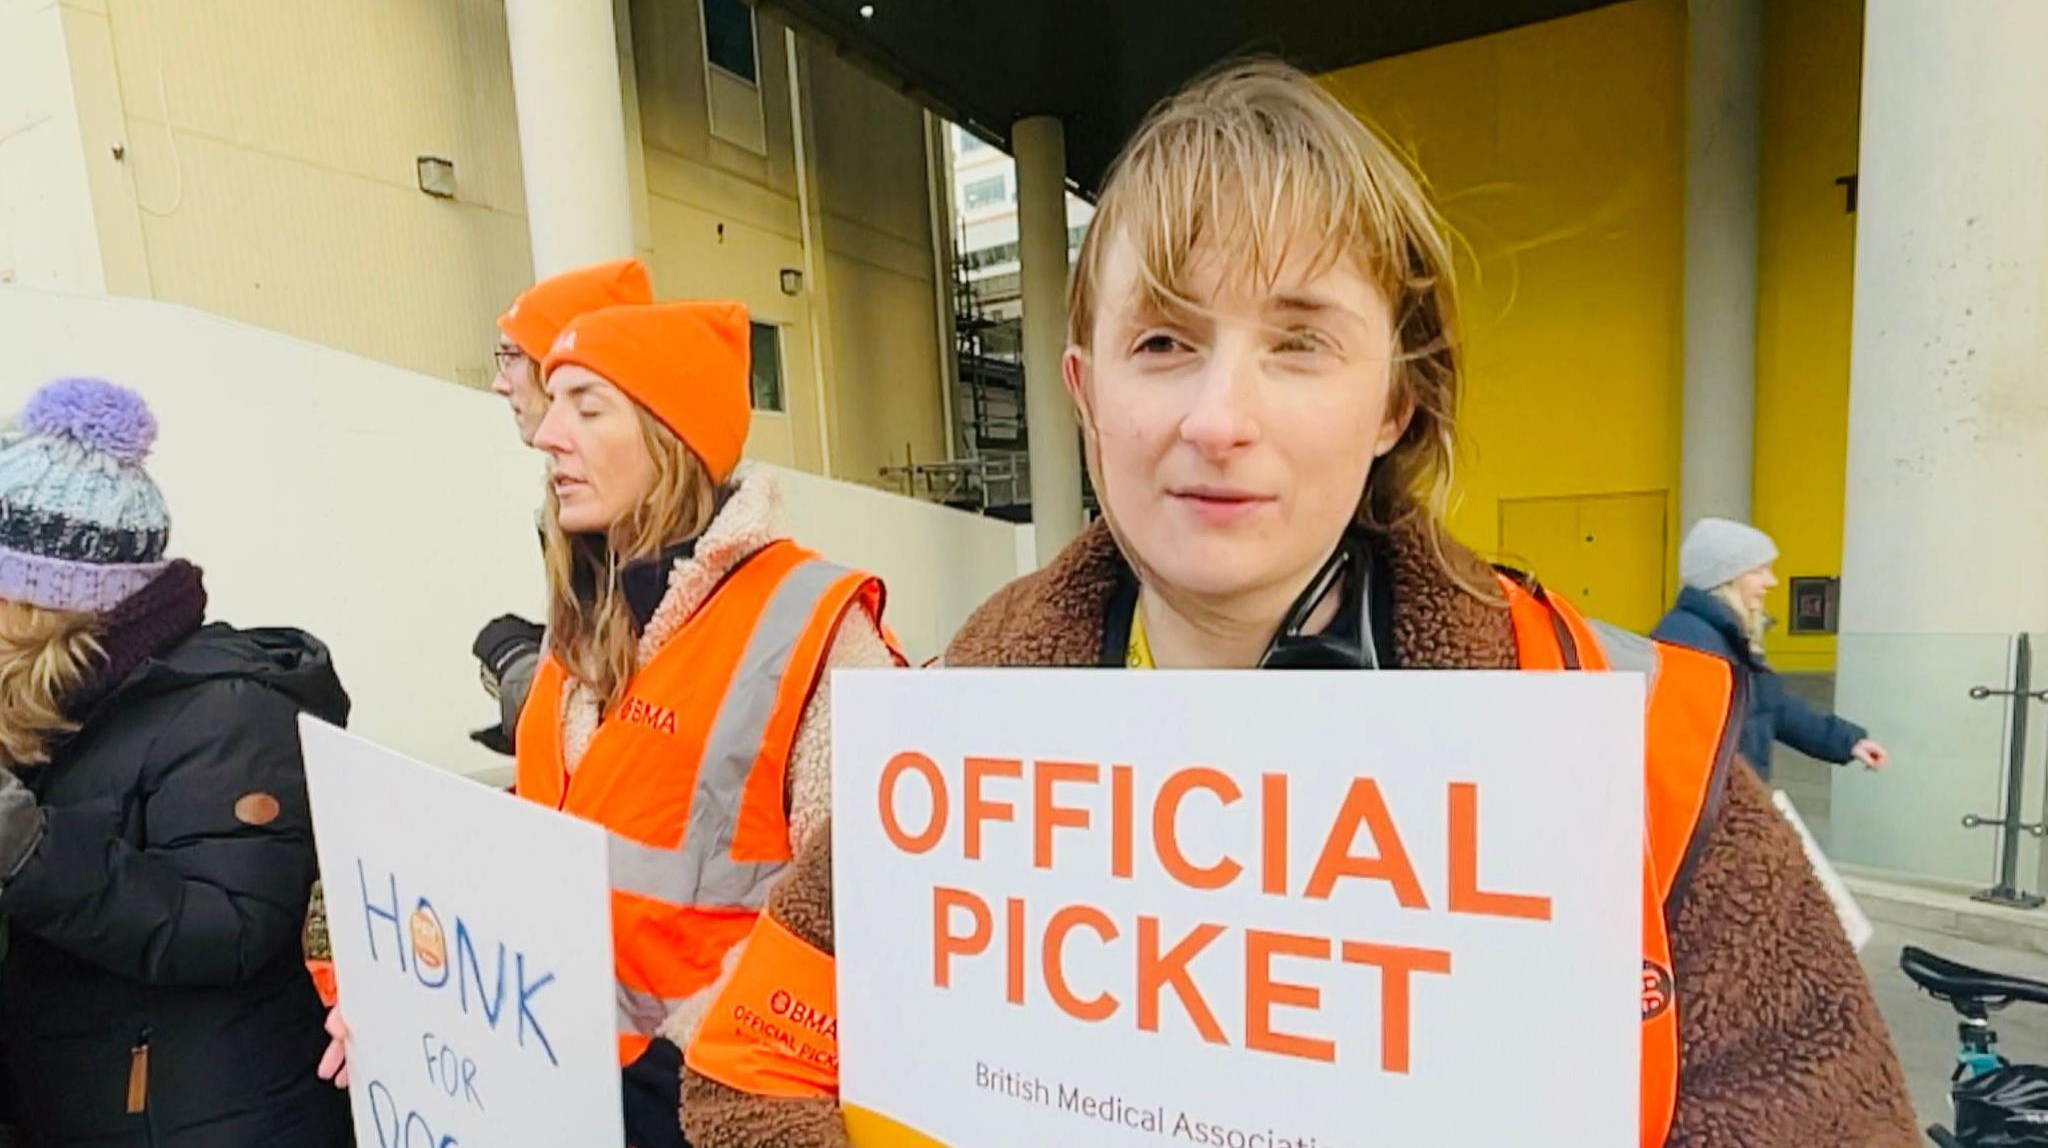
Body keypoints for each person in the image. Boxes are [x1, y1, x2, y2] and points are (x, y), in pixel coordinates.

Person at [676, 60, 1918, 1148]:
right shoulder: (955, 739)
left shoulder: (1633, 748)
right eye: (1160, 342)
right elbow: (750, 1070)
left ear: (1394, 399)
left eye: (1298, 341)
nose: (1217, 418)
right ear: (1082, 389)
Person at [325, 301, 903, 1148]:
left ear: (673, 437)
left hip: (704, 1111)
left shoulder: (814, 628)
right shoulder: (577, 643)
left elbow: (870, 909)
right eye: (551, 402)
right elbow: (509, 873)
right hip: (561, 1095)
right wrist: (405, 999)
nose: (549, 434)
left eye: (588, 407)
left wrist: (681, 1072)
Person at [0, 378, 352, 1146]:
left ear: (45, 602)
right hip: (76, 1102)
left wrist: (22, 844)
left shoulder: (229, 709)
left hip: (209, 1121)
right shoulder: (49, 706)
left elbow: (226, 924)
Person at [470, 257, 656, 756]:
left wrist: (524, 677)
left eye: (512, 355)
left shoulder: (652, 535)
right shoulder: (571, 517)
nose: (499, 381)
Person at [1653, 517, 1889, 783]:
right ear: (1725, 578)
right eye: (1758, 570)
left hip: (1732, 803)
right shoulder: (1691, 643)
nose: (1771, 581)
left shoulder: (1725, 636)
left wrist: (1847, 742)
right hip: (1713, 810)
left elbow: (1773, 706)